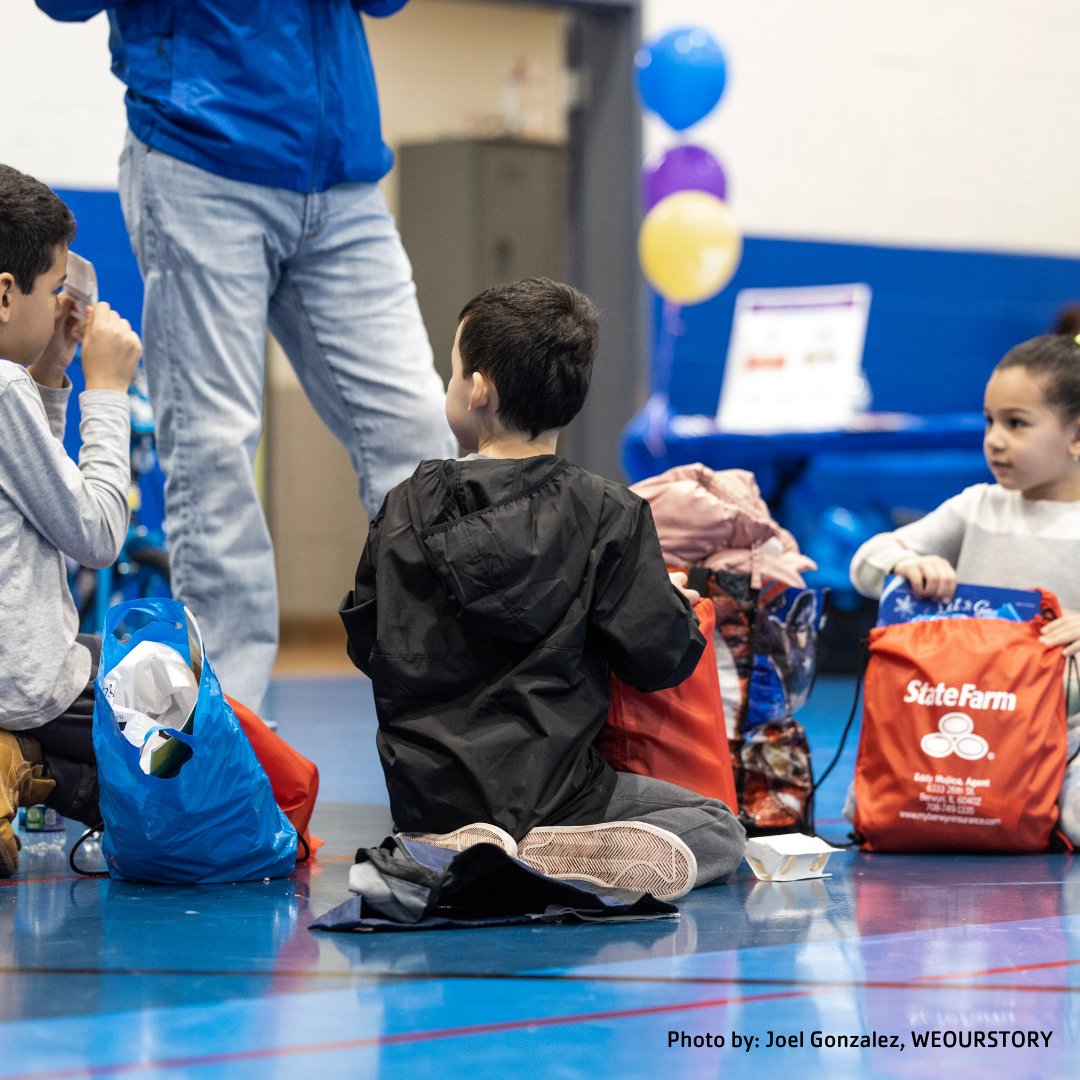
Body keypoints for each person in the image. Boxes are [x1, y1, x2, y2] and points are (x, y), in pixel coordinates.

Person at [37, 1, 457, 710]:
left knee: (419, 445)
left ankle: (459, 720)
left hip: (341, 172)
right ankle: (228, 758)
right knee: (215, 459)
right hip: (202, 154)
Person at [339, 279, 746, 900]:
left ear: (478, 390)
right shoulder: (608, 512)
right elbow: (658, 660)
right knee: (719, 828)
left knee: (444, 824)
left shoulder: (404, 506)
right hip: (560, 794)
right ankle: (550, 856)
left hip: (429, 802)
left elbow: (366, 642)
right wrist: (671, 607)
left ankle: (462, 849)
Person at [849, 333, 1080, 840]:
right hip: (965, 711)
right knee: (876, 804)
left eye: (1016, 423)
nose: (995, 439)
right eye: (989, 421)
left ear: (1076, 435)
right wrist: (907, 564)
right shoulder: (977, 506)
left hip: (1065, 728)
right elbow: (866, 563)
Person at [0, 163, 143, 876]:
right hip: (21, 686)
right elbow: (95, 535)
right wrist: (108, 391)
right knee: (196, 736)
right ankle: (15, 756)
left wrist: (52, 373)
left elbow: (29, 494)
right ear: (5, 294)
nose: (62, 299)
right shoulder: (1, 389)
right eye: (54, 286)